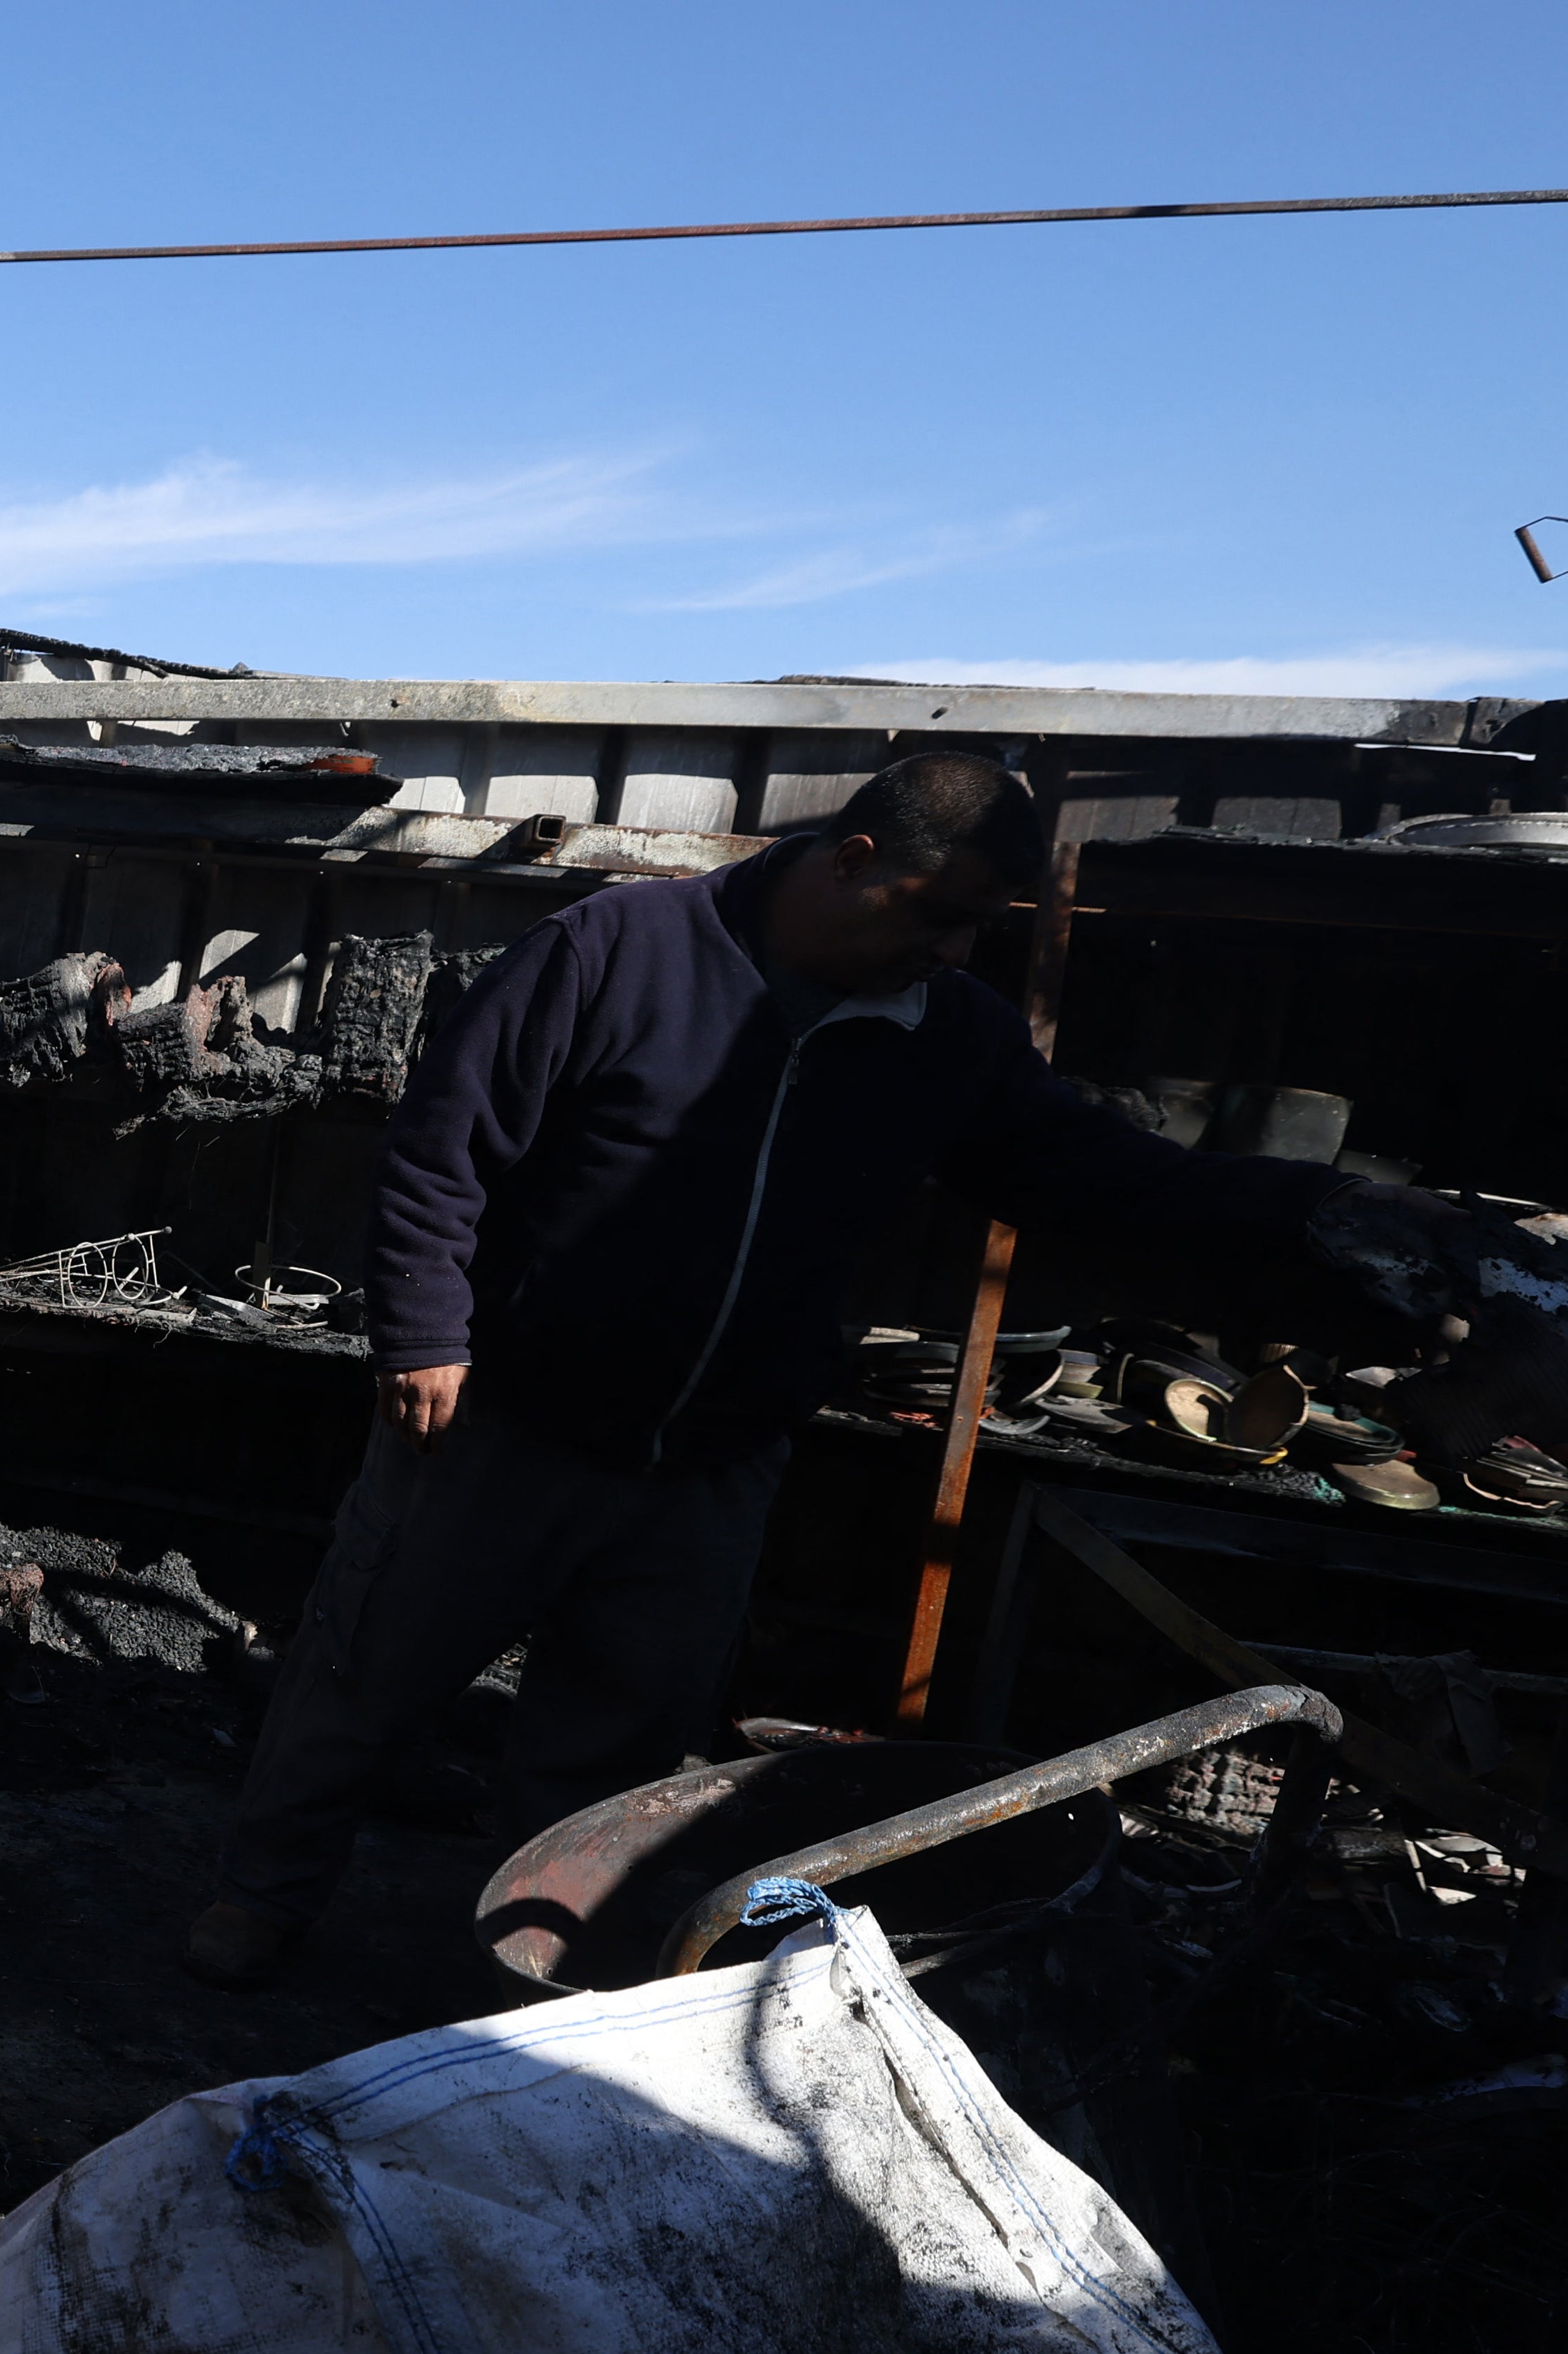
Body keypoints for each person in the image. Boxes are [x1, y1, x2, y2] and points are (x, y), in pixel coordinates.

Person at [181, 749, 1408, 1991]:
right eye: (941, 915)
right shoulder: (617, 949)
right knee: (363, 1673)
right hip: (505, 1418)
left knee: (614, 1745)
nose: (956, 951)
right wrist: (427, 1334)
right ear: (856, 860)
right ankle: (259, 1900)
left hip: (716, 1457)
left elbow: (1102, 1174)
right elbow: (447, 1141)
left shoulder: (949, 1033)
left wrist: (1323, 1209)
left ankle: (540, 1989)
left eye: (980, 928)